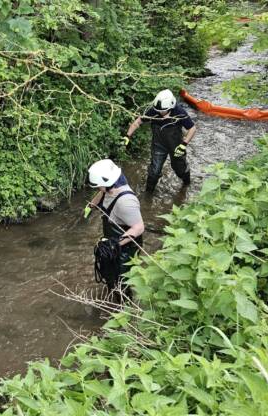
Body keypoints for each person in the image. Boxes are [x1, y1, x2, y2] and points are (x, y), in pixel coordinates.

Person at [83, 159, 144, 291]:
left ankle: (125, 306)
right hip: (112, 241)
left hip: (126, 249)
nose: (98, 189)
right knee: (109, 275)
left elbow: (139, 227)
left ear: (107, 183)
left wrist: (114, 244)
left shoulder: (126, 203)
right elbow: (102, 192)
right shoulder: (111, 185)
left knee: (121, 283)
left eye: (98, 186)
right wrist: (91, 205)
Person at [122, 89, 197, 193]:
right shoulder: (153, 111)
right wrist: (127, 136)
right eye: (158, 110)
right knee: (154, 171)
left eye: (163, 111)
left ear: (171, 106)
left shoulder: (179, 112)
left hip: (176, 146)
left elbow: (192, 128)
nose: (160, 112)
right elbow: (137, 122)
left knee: (180, 168)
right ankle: (148, 195)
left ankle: (186, 185)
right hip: (158, 145)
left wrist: (184, 144)